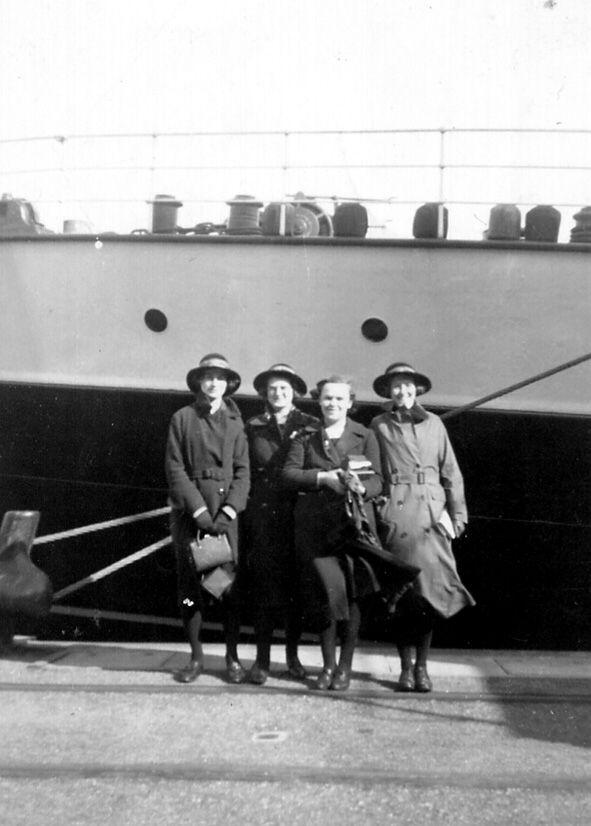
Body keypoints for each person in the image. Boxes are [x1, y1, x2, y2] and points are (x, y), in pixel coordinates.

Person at [370, 362, 475, 693]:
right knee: (402, 595)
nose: (402, 391)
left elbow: (451, 473)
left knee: (428, 596)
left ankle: (422, 667)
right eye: (396, 386)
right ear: (388, 391)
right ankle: (404, 667)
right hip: (397, 511)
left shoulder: (435, 424)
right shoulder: (379, 424)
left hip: (431, 514)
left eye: (408, 385)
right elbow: (372, 471)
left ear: (417, 390)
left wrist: (457, 518)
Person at [282, 375, 384, 691]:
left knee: (351, 597)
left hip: (351, 526)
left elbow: (379, 480)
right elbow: (288, 474)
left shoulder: (364, 435)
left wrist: (360, 487)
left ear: (350, 403)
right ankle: (327, 666)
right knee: (324, 595)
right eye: (327, 398)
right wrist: (323, 477)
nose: (333, 404)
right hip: (316, 527)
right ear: (319, 401)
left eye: (340, 399)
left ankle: (344, 668)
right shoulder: (305, 436)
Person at [165, 353, 250, 684]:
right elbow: (175, 468)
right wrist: (199, 512)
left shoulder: (235, 422)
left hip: (225, 517)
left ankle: (231, 658)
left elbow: (243, 473)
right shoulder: (182, 418)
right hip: (191, 516)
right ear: (199, 382)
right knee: (190, 590)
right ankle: (196, 657)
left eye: (220, 377)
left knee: (227, 588)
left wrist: (228, 510)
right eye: (208, 376)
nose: (214, 382)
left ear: (228, 384)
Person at [243, 363, 318, 685]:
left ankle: (293, 657)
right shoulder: (254, 426)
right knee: (264, 589)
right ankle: (261, 661)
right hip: (263, 515)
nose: (278, 393)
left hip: (299, 515)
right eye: (272, 388)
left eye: (284, 388)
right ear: (264, 393)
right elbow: (243, 467)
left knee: (295, 591)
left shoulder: (310, 425)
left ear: (295, 393)